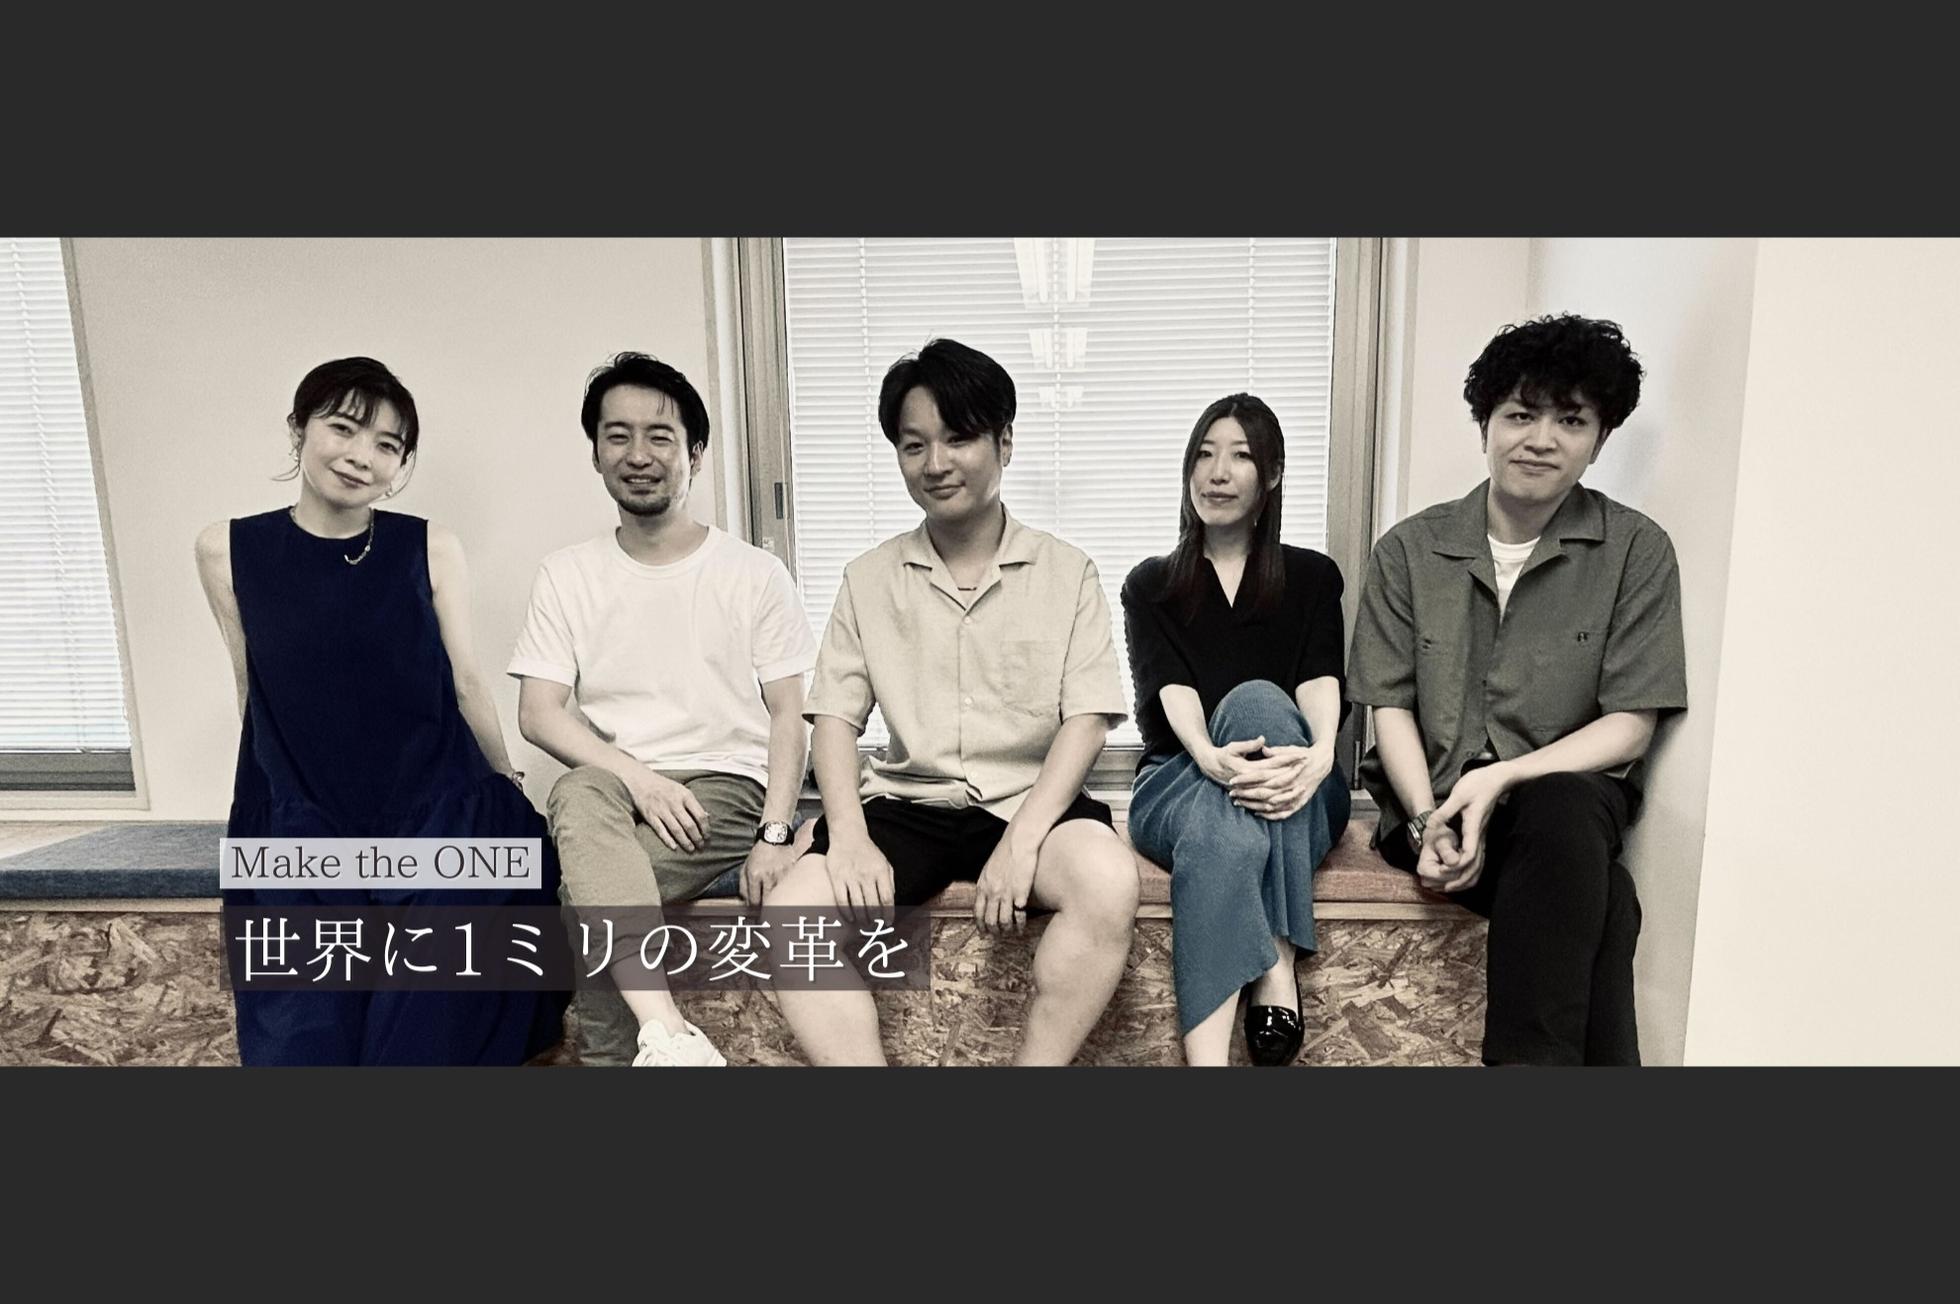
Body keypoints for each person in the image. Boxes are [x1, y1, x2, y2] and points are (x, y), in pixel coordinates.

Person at [762, 337, 1139, 1066]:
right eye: (914, 446)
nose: (935, 463)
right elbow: (833, 719)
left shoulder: (1067, 572)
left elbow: (1088, 719)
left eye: (958, 438)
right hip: (909, 805)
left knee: (1108, 879)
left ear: (1004, 442)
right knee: (792, 912)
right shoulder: (869, 579)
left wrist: (1022, 840)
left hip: (1031, 799)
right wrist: (850, 838)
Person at [196, 356, 567, 1066]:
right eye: (343, 429)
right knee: (304, 1034)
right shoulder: (226, 548)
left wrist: (506, 784)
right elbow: (251, 683)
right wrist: (266, 808)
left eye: (387, 445)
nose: (361, 456)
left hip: (433, 803)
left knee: (426, 1021)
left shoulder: (430, 545)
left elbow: (466, 682)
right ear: (298, 430)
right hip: (304, 808)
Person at [1347, 313, 1688, 1066]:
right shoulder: (1409, 550)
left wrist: (1502, 777)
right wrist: (1430, 821)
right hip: (1432, 804)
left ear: (1601, 439)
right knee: (1610, 902)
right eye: (1520, 415)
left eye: (1571, 420)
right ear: (1486, 425)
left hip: (1567, 806)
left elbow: (1631, 724)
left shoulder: (1636, 550)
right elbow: (1389, 708)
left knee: (1561, 806)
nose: (1541, 439)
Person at [509, 352, 816, 1068]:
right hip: (621, 786)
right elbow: (539, 713)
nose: (638, 455)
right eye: (617, 436)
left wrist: (774, 832)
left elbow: (789, 715)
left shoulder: (754, 573)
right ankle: (670, 1035)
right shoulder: (568, 573)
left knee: (588, 891)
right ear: (595, 453)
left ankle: (631, 1059)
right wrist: (642, 781)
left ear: (695, 454)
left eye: (660, 436)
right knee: (578, 789)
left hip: (725, 790)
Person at [1121, 394, 1349, 1067]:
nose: (1217, 472)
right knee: (1241, 739)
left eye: (1240, 456)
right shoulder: (1151, 585)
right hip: (1177, 781)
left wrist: (1322, 756)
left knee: (1257, 722)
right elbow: (1172, 690)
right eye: (1204, 454)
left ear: (1271, 475)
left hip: (1300, 783)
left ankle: (1262, 978)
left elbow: (1320, 680)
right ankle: (1277, 970)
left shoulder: (1312, 577)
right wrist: (1208, 756)